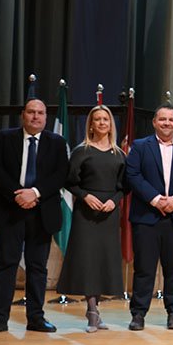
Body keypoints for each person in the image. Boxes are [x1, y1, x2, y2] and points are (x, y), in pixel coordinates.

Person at [0, 99, 70, 335]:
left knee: (37, 266)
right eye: (31, 112)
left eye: (40, 113)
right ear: (23, 115)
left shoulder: (57, 143)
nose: (35, 116)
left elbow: (61, 174)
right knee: (6, 264)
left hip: (41, 212)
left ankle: (36, 318)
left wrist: (35, 193)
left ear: (46, 117)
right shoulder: (4, 138)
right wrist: (17, 194)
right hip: (8, 209)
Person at [125, 103, 173, 331]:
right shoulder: (140, 146)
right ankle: (138, 314)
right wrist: (156, 199)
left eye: (171, 119)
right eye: (163, 119)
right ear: (154, 122)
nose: (167, 123)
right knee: (144, 269)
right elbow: (132, 175)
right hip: (147, 216)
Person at [56, 105, 126, 332]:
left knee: (103, 260)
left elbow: (124, 186)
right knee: (88, 260)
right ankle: (92, 311)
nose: (102, 122)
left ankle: (95, 309)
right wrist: (85, 196)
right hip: (86, 213)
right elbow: (69, 181)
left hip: (109, 213)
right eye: (97, 119)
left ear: (110, 124)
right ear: (91, 125)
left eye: (106, 119)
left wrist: (114, 201)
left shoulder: (119, 154)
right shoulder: (81, 151)